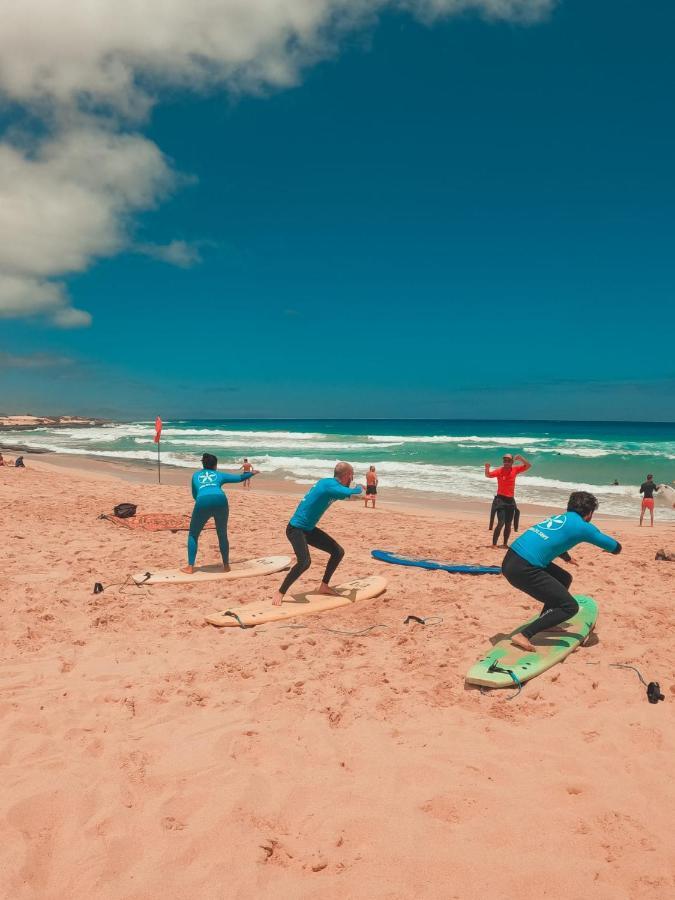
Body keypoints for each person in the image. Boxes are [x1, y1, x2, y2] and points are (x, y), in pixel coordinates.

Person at [501, 490, 621, 652]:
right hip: (524, 568)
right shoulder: (584, 527)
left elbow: (554, 538)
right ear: (590, 513)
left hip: (512, 558)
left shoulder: (559, 518)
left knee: (564, 578)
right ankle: (524, 635)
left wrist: (566, 558)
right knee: (569, 607)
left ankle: (548, 621)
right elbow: (615, 548)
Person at [273, 462, 363, 605]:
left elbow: (345, 496)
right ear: (347, 475)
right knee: (305, 562)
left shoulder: (331, 486)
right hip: (295, 529)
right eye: (352, 476)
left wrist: (363, 499)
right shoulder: (329, 485)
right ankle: (280, 592)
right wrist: (359, 488)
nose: (352, 479)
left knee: (338, 552)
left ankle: (324, 586)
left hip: (308, 530)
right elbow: (350, 492)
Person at [181, 453, 258, 574]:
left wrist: (203, 503)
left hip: (202, 501)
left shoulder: (195, 475)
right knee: (222, 534)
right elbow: (239, 478)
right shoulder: (219, 475)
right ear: (215, 465)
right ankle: (226, 565)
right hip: (221, 499)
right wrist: (252, 473)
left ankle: (190, 567)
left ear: (203, 464)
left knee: (193, 534)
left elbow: (194, 495)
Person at [484, 453, 531, 549]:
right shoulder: (499, 470)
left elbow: (528, 466)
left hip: (510, 501)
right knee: (501, 522)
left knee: (508, 524)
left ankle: (505, 544)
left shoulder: (515, 469)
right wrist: (487, 467)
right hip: (500, 500)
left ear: (512, 462)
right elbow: (488, 475)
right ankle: (494, 544)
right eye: (505, 460)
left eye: (509, 461)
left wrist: (521, 458)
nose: (506, 462)